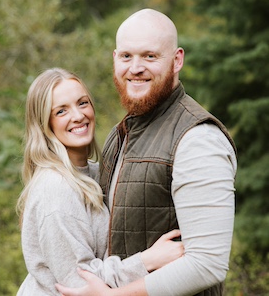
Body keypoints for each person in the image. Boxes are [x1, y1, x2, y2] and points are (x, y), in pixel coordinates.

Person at [55, 8, 237, 296]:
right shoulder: (120, 134)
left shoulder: (198, 139)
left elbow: (208, 264)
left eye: (150, 56)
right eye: (127, 56)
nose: (135, 67)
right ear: (115, 59)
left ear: (177, 60)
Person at [16, 67, 184, 295]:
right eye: (61, 111)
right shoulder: (55, 188)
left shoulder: (96, 173)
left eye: (82, 103)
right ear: (44, 124)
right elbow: (78, 282)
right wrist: (147, 261)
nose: (78, 116)